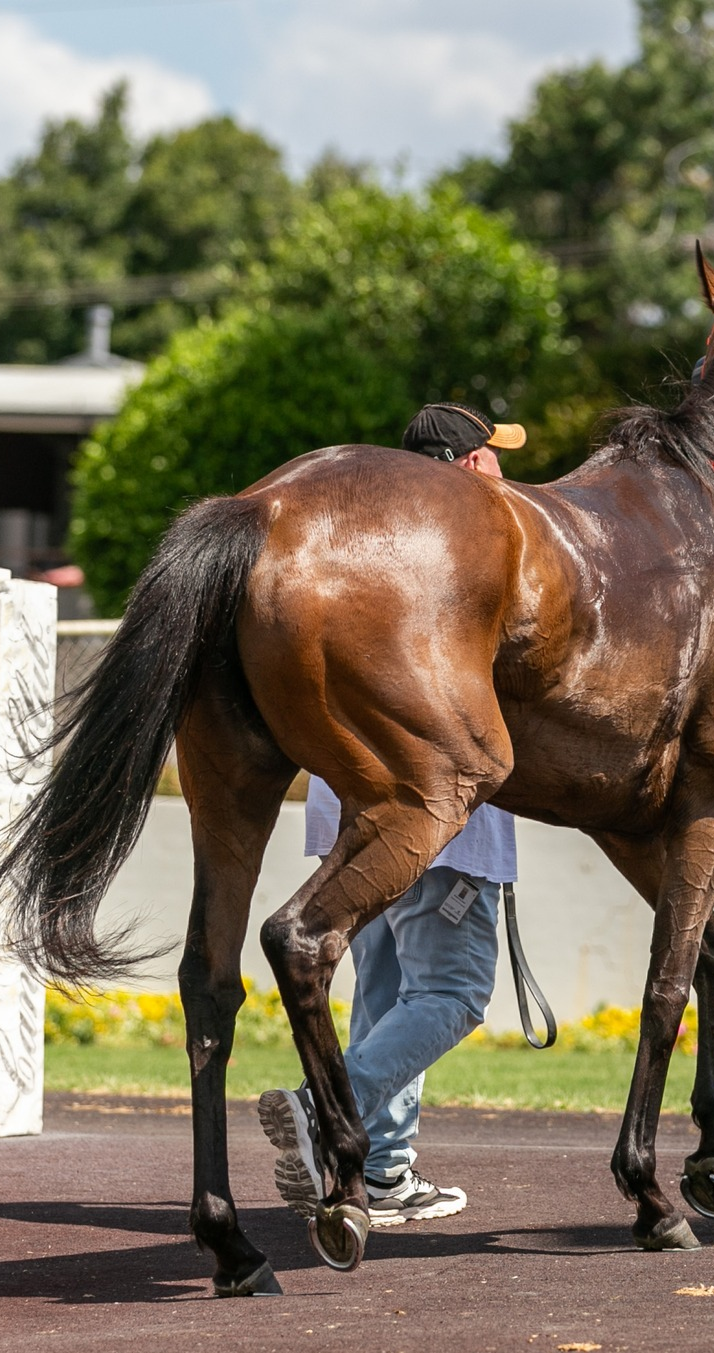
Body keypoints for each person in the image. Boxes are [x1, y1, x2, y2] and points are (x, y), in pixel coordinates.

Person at [259, 403, 522, 1229]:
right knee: (451, 990)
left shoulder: (370, 555)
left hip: (350, 816)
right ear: (470, 467)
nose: (503, 470)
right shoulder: (481, 560)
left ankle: (384, 1166)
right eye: (492, 457)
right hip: (441, 824)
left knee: (381, 990)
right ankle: (324, 1104)